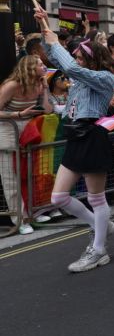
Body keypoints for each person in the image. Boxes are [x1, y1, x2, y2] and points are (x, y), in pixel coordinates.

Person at [33, 7, 114, 272]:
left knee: (96, 198)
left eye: (80, 56)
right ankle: (100, 225)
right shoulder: (80, 76)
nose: (76, 60)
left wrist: (52, 40)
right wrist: (45, 26)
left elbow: (68, 65)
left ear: (92, 59)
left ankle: (99, 250)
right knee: (59, 197)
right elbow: (60, 63)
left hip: (92, 135)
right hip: (75, 136)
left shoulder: (105, 78)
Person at [0, 55, 52, 234]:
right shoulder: (12, 85)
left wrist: (45, 89)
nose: (44, 66)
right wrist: (20, 115)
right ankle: (20, 220)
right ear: (29, 67)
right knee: (10, 178)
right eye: (40, 64)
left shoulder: (39, 84)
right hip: (8, 129)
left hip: (28, 130)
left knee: (30, 173)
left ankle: (33, 212)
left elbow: (47, 110)